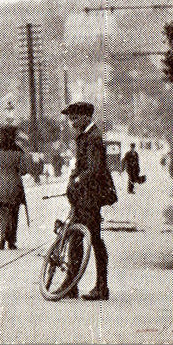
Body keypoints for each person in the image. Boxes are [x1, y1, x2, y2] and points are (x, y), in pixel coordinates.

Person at [61, 101, 116, 301]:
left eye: (75, 117)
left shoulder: (93, 138)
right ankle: (80, 285)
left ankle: (87, 286)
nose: (71, 122)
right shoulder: (86, 136)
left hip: (90, 197)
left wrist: (77, 179)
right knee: (88, 239)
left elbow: (94, 169)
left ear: (86, 117)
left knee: (83, 239)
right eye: (70, 118)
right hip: (85, 195)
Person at [0, 125, 26, 249]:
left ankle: (3, 235)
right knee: (13, 214)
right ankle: (11, 241)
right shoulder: (18, 152)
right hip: (14, 188)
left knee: (1, 214)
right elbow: (23, 171)